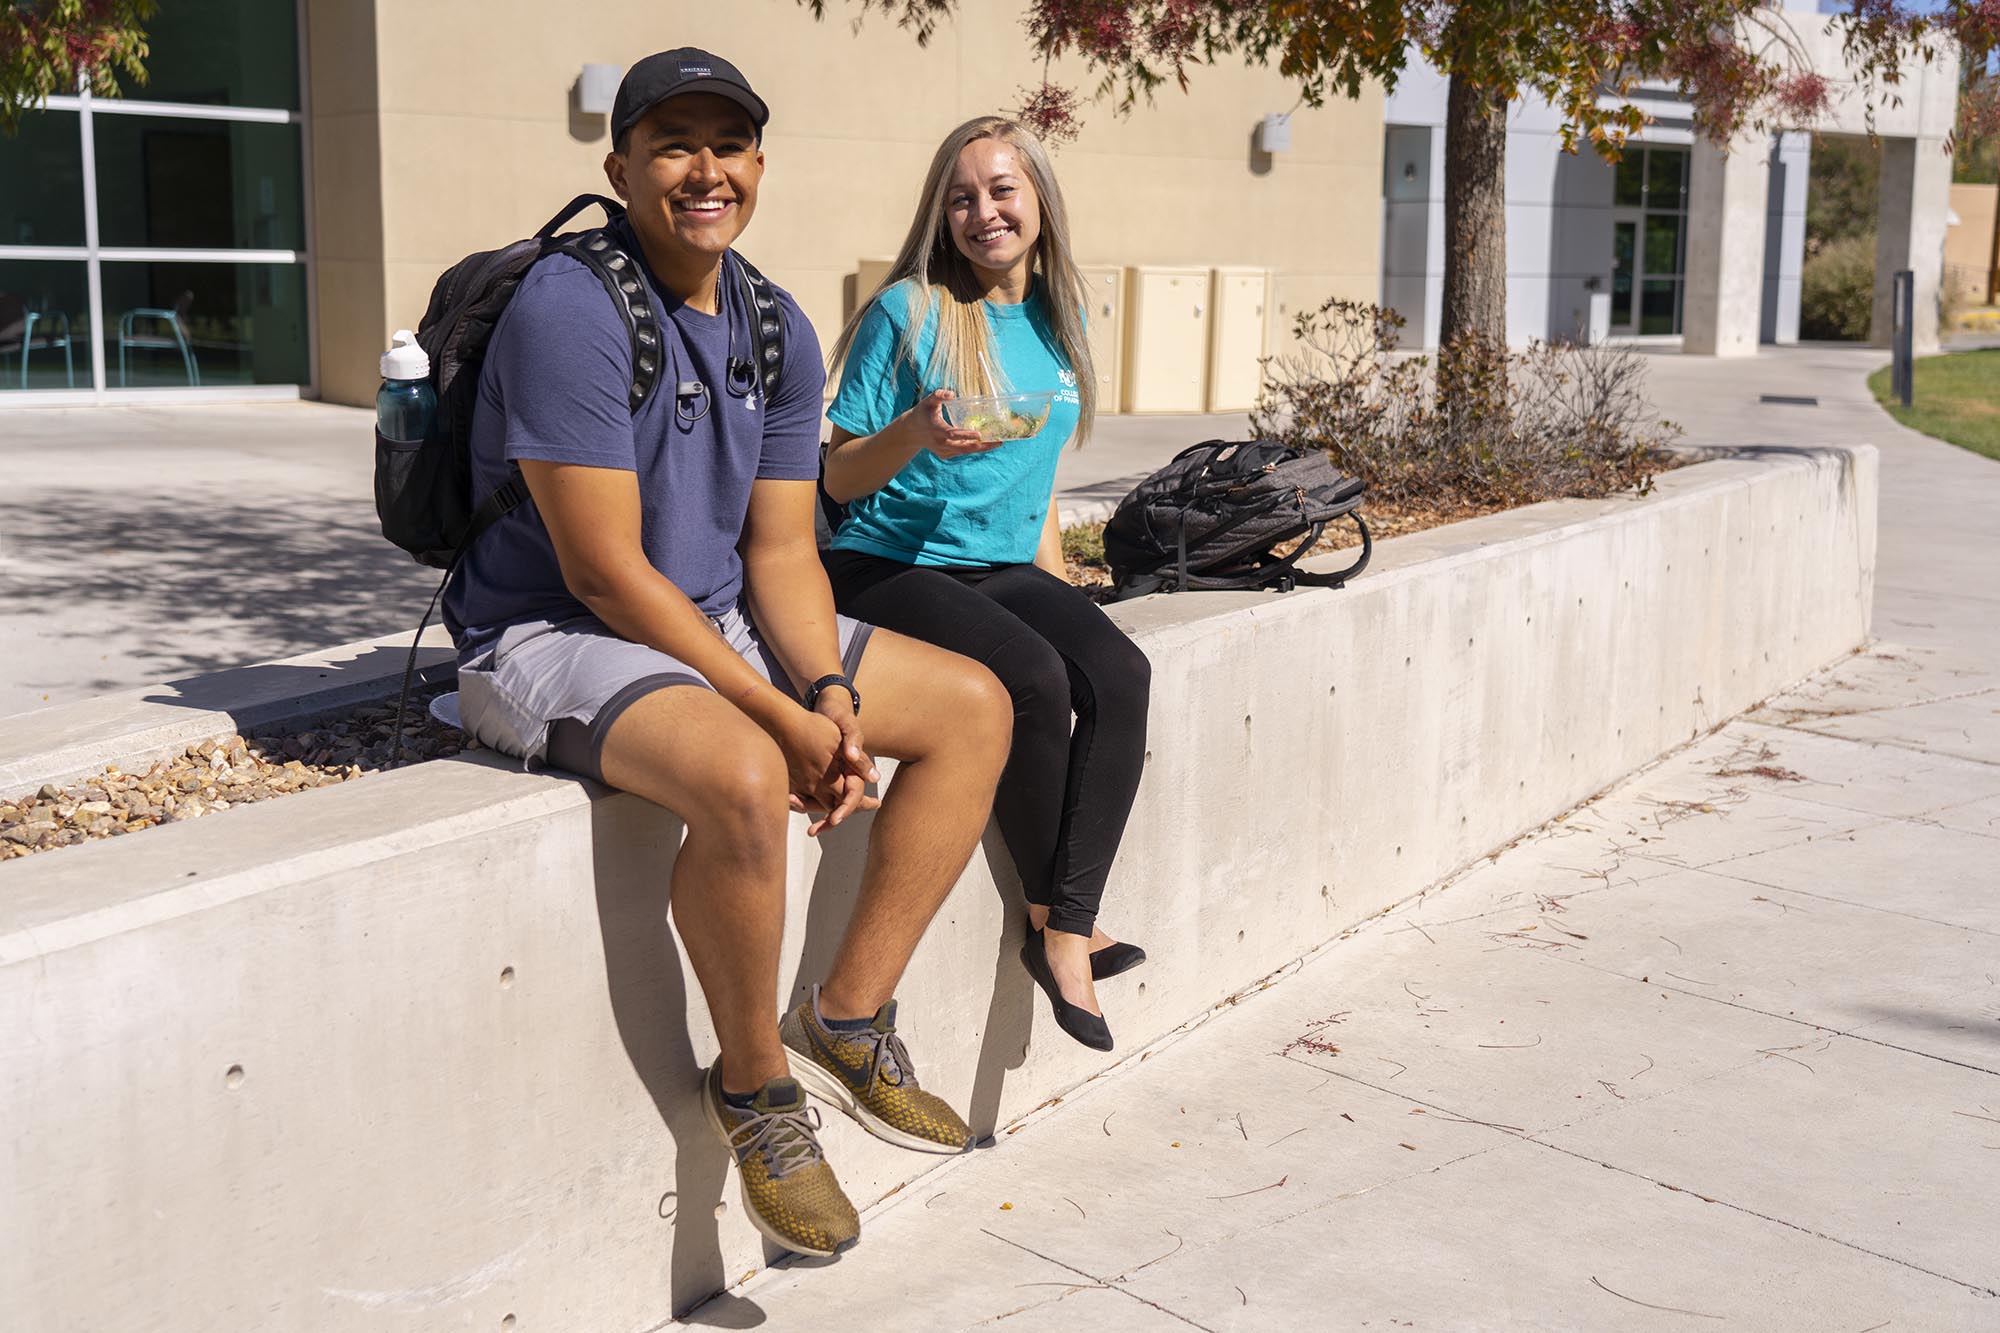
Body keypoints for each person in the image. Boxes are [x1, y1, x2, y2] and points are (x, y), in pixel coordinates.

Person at [443, 49, 1014, 1259]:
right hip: (550, 633)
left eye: (727, 144)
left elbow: (782, 554)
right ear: (623, 167)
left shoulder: (772, 322)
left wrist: (825, 693)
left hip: (713, 618)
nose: (704, 169)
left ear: (757, 164)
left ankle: (846, 1017)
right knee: (749, 777)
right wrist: (776, 719)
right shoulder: (572, 307)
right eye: (672, 143)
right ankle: (755, 1089)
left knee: (973, 705)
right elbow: (602, 571)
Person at [820, 115, 1151, 1053]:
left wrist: (1061, 591)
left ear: (1040, 200)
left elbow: (1035, 477)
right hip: (879, 562)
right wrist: (916, 431)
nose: (983, 212)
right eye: (961, 197)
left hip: (997, 563)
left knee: (1118, 674)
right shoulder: (911, 313)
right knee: (1033, 678)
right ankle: (1064, 930)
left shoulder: (1062, 315)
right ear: (941, 213)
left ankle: (1066, 924)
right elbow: (836, 478)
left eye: (1002, 189)